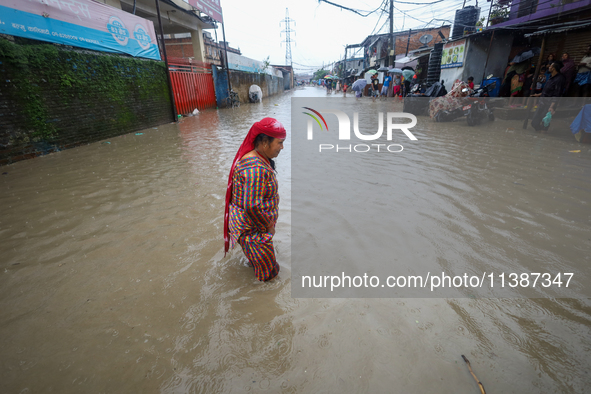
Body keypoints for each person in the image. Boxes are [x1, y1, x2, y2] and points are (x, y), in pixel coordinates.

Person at [224, 118, 287, 281]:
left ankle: (253, 263)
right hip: (253, 229)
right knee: (270, 275)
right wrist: (268, 226)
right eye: (279, 143)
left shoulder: (256, 158)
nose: (282, 147)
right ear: (265, 142)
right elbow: (252, 207)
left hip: (249, 226)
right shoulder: (255, 168)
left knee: (258, 263)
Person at [530, 61, 565, 132]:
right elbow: (547, 90)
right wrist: (538, 95)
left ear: (554, 68)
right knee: (534, 121)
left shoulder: (559, 79)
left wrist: (552, 107)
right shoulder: (551, 77)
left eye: (550, 66)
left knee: (545, 120)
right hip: (542, 101)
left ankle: (543, 133)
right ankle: (539, 131)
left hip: (549, 104)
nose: (549, 67)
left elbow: (557, 94)